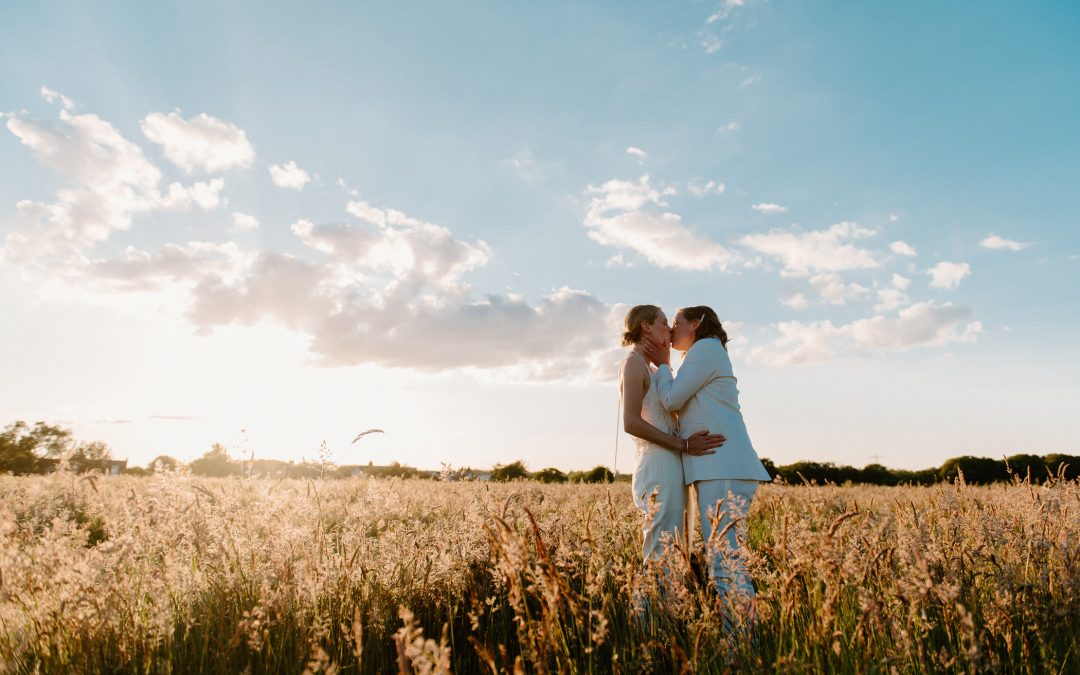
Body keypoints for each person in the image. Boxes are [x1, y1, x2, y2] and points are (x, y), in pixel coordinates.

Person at [643, 305, 772, 602]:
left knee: (724, 560)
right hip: (718, 466)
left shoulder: (705, 350)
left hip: (722, 466)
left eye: (677, 322)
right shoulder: (702, 353)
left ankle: (740, 641)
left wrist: (663, 364)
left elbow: (672, 400)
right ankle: (739, 637)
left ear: (697, 325)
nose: (672, 329)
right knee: (723, 557)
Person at [619, 304, 726, 563]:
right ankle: (654, 603)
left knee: (677, 545)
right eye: (664, 321)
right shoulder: (633, 363)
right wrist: (683, 444)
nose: (669, 328)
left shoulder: (656, 369)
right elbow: (631, 422)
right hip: (657, 463)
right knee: (661, 545)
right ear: (645, 326)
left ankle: (671, 601)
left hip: (674, 463)